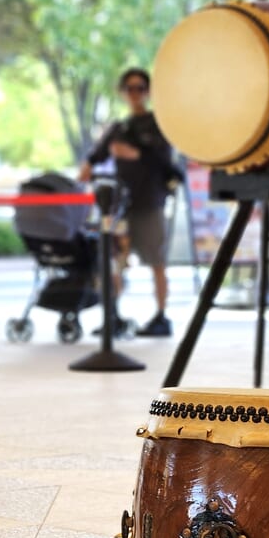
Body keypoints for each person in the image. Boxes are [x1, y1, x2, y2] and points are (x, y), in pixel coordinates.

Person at [79, 67, 178, 338]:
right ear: (123, 93)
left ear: (148, 92)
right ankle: (114, 316)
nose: (135, 94)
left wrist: (135, 154)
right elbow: (93, 159)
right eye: (130, 89)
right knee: (114, 262)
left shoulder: (159, 125)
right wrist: (88, 169)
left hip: (150, 203)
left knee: (156, 260)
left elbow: (166, 163)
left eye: (140, 88)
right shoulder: (118, 129)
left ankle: (160, 316)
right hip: (120, 206)